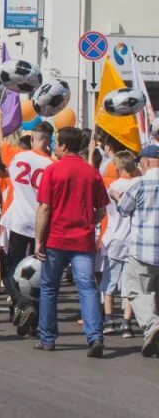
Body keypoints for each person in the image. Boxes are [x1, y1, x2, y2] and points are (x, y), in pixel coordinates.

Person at [34, 127, 108, 357]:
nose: (54, 147)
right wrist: (88, 221)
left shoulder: (53, 170)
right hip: (83, 240)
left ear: (64, 146)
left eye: (56, 143)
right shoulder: (91, 172)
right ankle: (95, 335)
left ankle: (47, 338)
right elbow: (102, 210)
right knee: (87, 288)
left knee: (48, 288)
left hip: (56, 238)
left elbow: (44, 208)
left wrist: (38, 240)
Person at [0, 109, 54, 336]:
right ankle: (35, 320)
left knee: (11, 268)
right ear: (50, 141)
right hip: (41, 222)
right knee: (39, 272)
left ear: (32, 139)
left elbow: (0, 143)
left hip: (18, 221)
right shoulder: (52, 164)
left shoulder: (18, 156)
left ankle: (21, 302)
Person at [117, 143, 159, 358]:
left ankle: (152, 326)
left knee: (137, 291)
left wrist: (117, 197)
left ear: (145, 161)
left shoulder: (139, 183)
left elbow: (123, 209)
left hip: (144, 248)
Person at [100, 150, 137, 337]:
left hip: (113, 238)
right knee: (130, 284)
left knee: (109, 283)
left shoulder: (112, 186)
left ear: (116, 167)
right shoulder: (138, 185)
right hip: (132, 240)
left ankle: (108, 320)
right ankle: (127, 322)